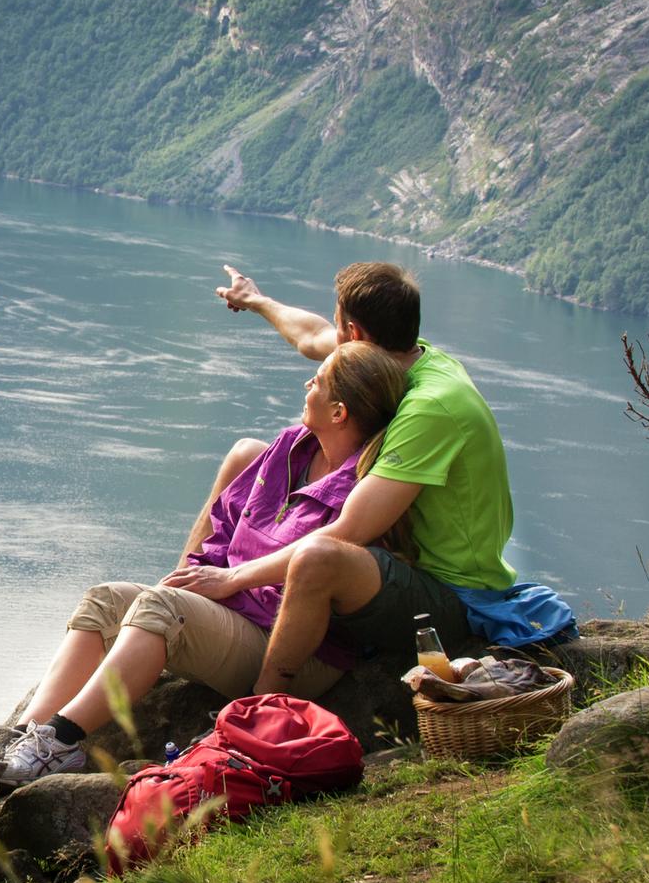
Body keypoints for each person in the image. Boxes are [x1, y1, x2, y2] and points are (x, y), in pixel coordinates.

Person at [1, 341, 410, 788]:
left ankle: (60, 742)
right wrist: (195, 579)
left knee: (164, 609)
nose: (306, 383)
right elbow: (227, 526)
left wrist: (196, 597)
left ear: (340, 413)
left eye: (320, 381)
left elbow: (320, 584)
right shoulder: (290, 448)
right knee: (106, 599)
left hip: (290, 646)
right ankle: (25, 735)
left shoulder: (361, 493)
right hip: (233, 614)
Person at [201, 261, 516, 697]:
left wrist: (233, 579)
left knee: (319, 555)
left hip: (449, 591)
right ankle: (185, 584)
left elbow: (349, 531)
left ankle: (263, 702)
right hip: (407, 562)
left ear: (355, 333)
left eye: (338, 323)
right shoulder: (400, 356)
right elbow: (310, 336)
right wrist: (255, 300)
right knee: (248, 456)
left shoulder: (429, 406)